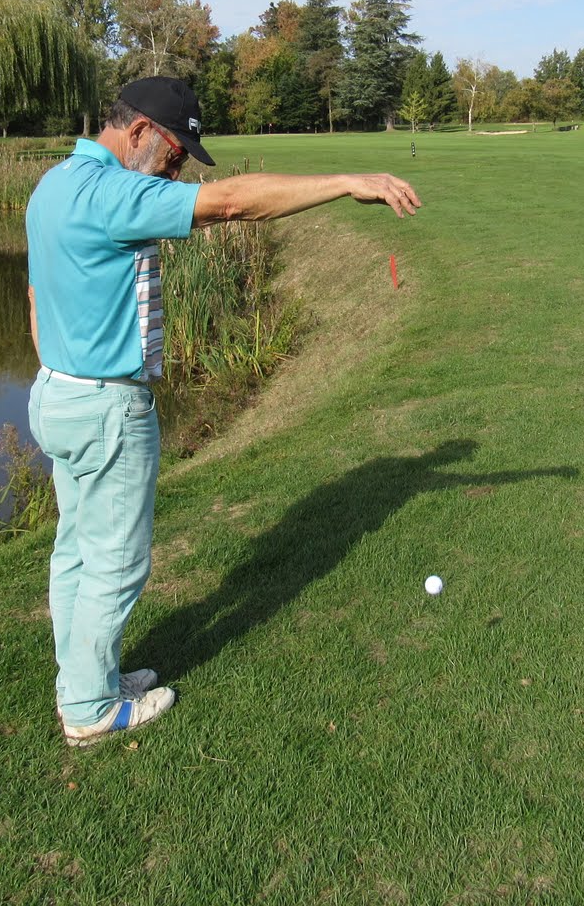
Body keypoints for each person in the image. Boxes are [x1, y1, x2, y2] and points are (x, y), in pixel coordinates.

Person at [25, 76, 421, 746]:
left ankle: (83, 681)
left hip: (56, 392)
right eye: (178, 154)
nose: (178, 170)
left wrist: (66, 373)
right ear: (142, 131)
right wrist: (347, 180)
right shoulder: (113, 191)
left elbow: (37, 297)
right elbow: (232, 204)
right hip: (104, 406)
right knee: (116, 561)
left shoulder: (55, 184)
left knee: (76, 552)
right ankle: (90, 710)